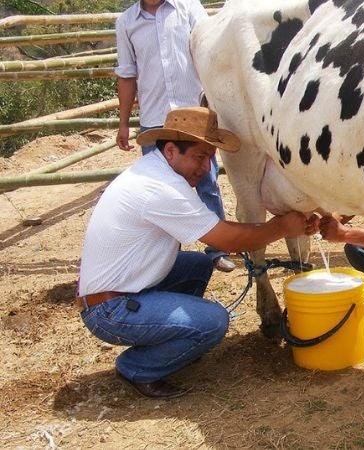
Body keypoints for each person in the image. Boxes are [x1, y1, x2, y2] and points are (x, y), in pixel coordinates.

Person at [77, 107, 319, 399]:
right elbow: (226, 239)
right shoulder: (160, 188)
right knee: (214, 322)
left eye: (210, 158)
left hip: (120, 289)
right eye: (199, 157)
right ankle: (138, 366)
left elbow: (217, 227)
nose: (206, 168)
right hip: (108, 310)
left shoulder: (155, 171)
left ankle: (174, 337)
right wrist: (281, 226)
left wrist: (278, 225)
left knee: (197, 266)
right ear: (170, 150)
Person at [114, 0, 236, 272]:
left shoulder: (189, 9)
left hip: (193, 115)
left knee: (206, 181)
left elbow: (210, 51)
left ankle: (218, 249)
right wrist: (123, 122)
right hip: (154, 119)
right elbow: (126, 74)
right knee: (159, 191)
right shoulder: (126, 22)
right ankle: (165, 257)